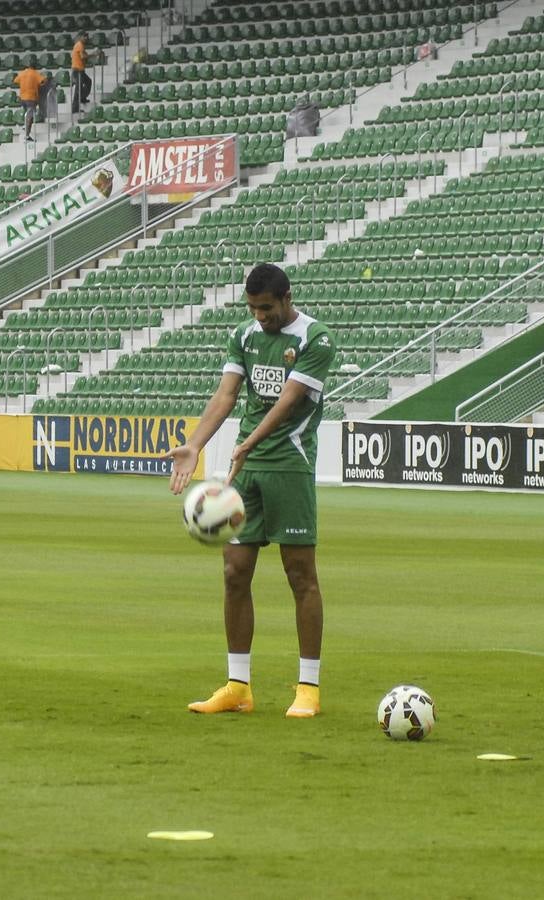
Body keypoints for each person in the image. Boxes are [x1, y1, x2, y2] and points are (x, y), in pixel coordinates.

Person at [165, 263, 335, 718]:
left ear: (286, 298)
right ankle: (238, 685)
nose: (261, 317)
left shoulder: (315, 340)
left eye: (267, 309)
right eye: (253, 309)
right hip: (249, 469)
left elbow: (288, 402)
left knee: (301, 575)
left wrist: (245, 444)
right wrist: (196, 445)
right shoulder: (244, 336)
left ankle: (309, 688)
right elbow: (226, 395)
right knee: (234, 572)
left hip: (290, 467)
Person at [13, 62, 45, 141]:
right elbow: (42, 81)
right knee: (30, 116)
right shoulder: (35, 73)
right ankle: (26, 130)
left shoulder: (22, 73)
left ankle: (26, 131)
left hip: (23, 98)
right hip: (31, 97)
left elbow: (15, 81)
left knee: (29, 115)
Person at [70, 33, 90, 113]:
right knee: (78, 90)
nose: (86, 38)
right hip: (77, 71)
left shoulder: (80, 45)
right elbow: (83, 56)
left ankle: (83, 97)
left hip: (80, 70)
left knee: (88, 81)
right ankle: (75, 108)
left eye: (87, 36)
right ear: (80, 37)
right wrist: (93, 54)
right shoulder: (80, 45)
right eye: (84, 36)